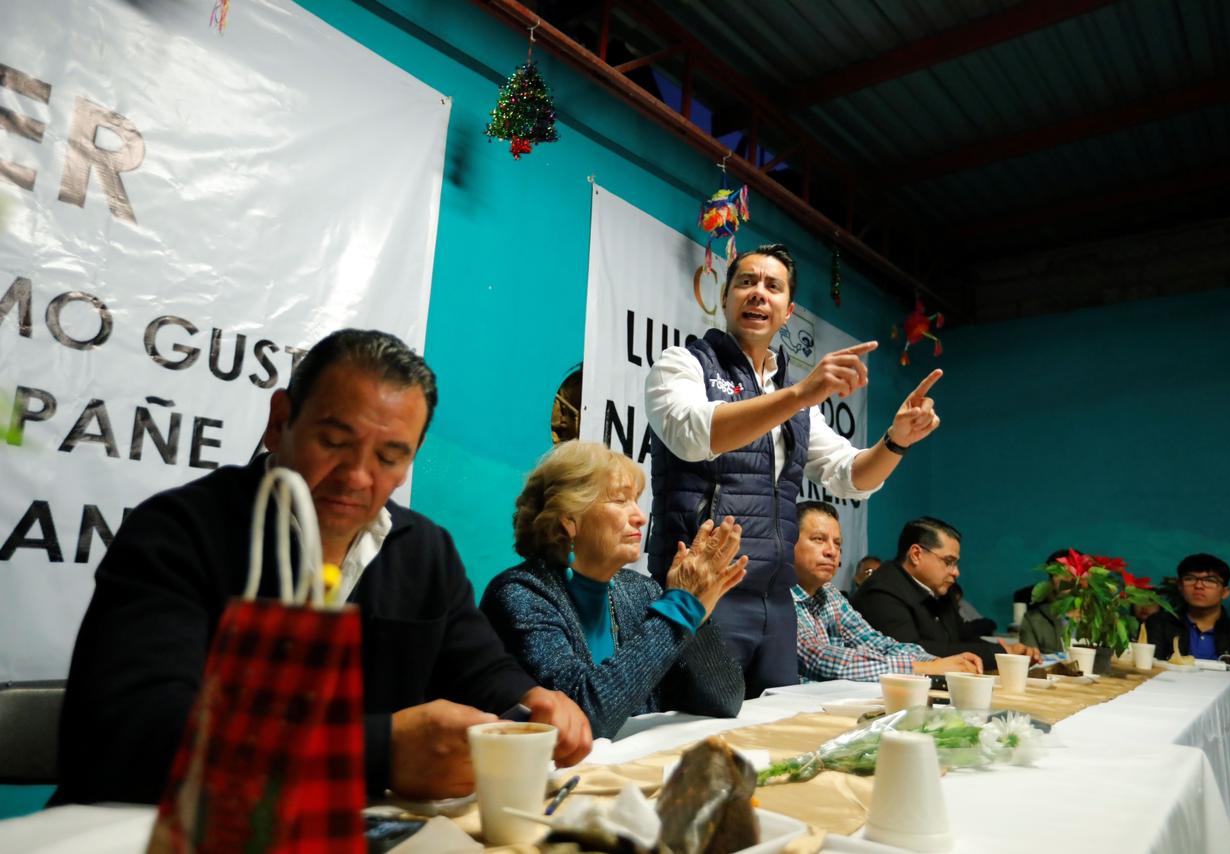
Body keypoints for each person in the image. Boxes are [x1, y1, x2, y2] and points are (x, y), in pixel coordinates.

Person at [53, 330, 592, 806]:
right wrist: (379, 752)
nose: (357, 476)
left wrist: (532, 699)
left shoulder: (424, 551)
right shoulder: (179, 532)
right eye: (333, 442)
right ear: (280, 422)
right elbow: (136, 733)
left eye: (389, 457)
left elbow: (480, 669)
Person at [644, 243, 942, 696]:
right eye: (746, 282)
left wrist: (896, 440)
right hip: (702, 595)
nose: (758, 293)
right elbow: (692, 433)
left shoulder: (794, 400)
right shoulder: (684, 364)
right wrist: (800, 394)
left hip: (778, 603)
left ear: (787, 312)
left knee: (776, 729)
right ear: (725, 298)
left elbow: (849, 474)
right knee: (696, 728)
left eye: (773, 286)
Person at [480, 441, 747, 739]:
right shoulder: (520, 595)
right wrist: (678, 610)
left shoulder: (641, 591)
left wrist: (696, 611)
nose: (640, 517)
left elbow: (724, 701)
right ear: (570, 520)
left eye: (636, 500)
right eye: (620, 501)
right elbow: (581, 719)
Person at [1143, 554, 1230, 853]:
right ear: (1180, 586)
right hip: (1168, 713)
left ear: (1225, 591)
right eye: (1191, 578)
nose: (1199, 585)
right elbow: (1142, 674)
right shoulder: (1160, 624)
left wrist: (1215, 699)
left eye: (1210, 580)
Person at [790, 501, 982, 681]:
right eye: (818, 539)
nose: (832, 552)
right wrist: (923, 668)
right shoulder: (778, 596)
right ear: (787, 542)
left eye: (837, 543)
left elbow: (875, 642)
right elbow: (821, 658)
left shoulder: (830, 593)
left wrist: (936, 662)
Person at [852, 517, 1041, 670]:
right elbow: (911, 652)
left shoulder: (938, 590)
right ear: (916, 554)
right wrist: (999, 654)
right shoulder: (880, 592)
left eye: (955, 563)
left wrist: (1004, 651)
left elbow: (961, 637)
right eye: (948, 562)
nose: (956, 572)